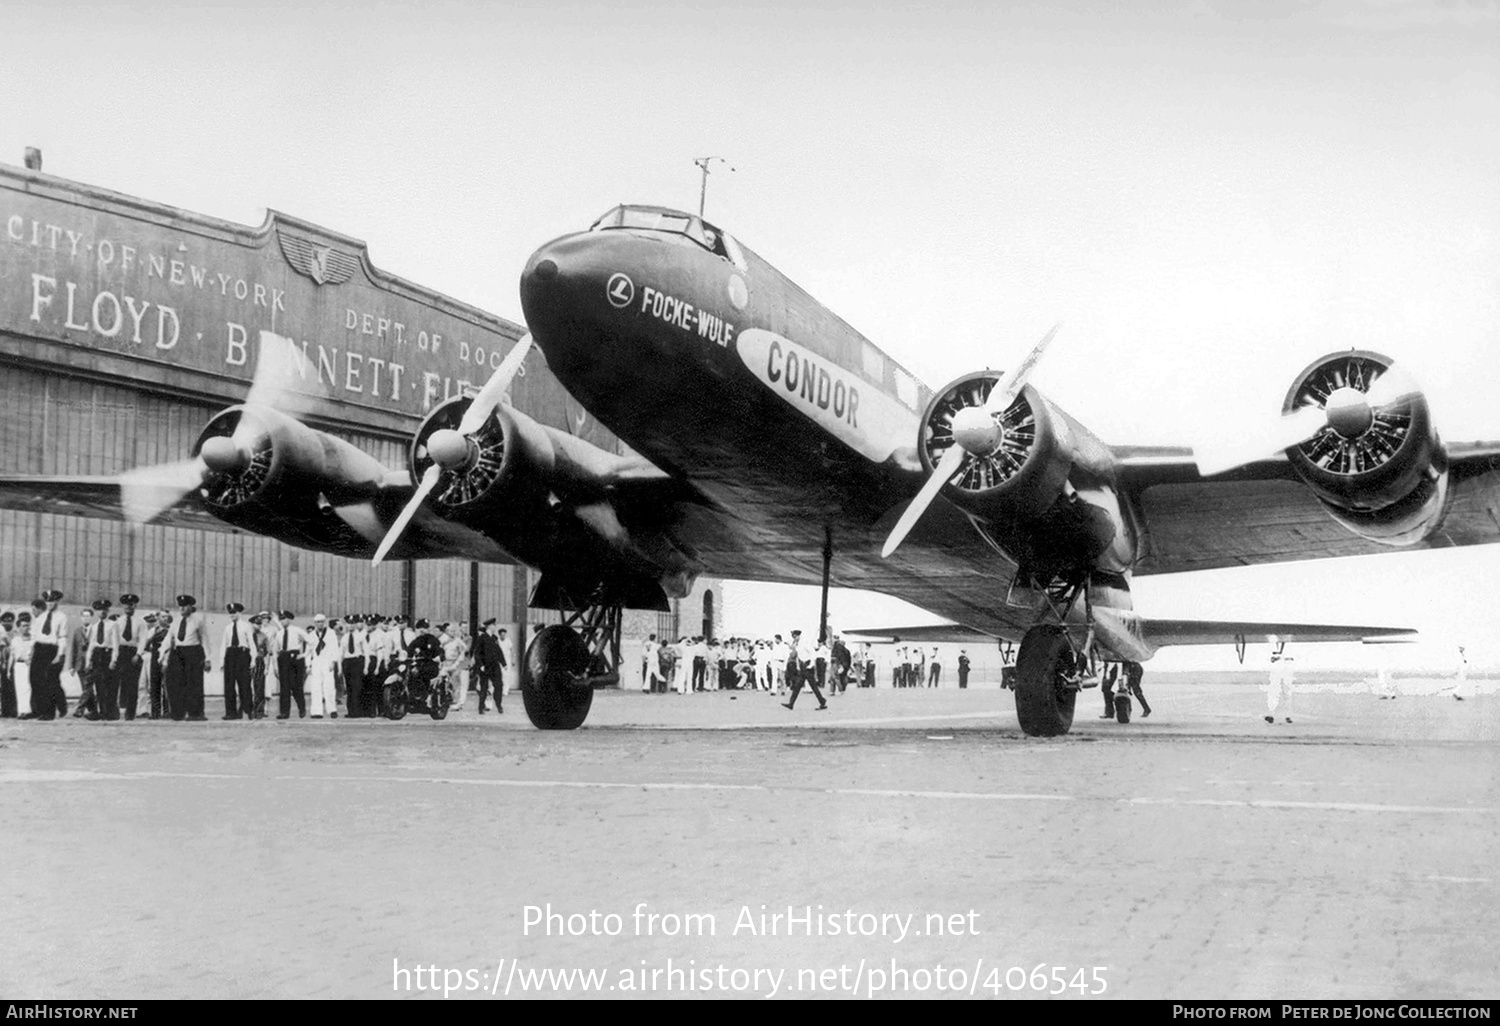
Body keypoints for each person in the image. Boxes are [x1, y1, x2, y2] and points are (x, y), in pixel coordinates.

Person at [161, 595, 209, 721]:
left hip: (193, 651)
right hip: (178, 653)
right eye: (180, 606)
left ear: (190, 607)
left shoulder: (197, 621)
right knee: (175, 683)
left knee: (193, 684)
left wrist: (208, 659)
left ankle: (196, 714)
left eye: (185, 606)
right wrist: (162, 657)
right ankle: (177, 713)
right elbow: (168, 640)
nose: (182, 608)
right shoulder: (176, 622)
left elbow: (205, 640)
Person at [31, 590, 69, 719]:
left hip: (51, 649)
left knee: (48, 681)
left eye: (52, 601)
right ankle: (37, 709)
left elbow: (62, 637)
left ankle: (49, 712)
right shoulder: (41, 616)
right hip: (39, 648)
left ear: (57, 602)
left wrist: (60, 654)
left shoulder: (61, 617)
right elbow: (35, 636)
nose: (50, 604)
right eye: (47, 601)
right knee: (34, 679)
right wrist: (31, 652)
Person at [218, 603, 254, 720]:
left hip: (242, 655)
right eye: (230, 613)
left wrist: (253, 659)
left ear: (239, 613)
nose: (232, 615)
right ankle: (231, 713)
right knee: (229, 685)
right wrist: (222, 661)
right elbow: (224, 644)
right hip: (230, 655)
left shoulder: (246, 626)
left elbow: (251, 643)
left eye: (234, 612)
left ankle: (248, 710)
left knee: (244, 684)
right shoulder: (228, 628)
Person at [111, 594, 144, 721]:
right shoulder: (118, 622)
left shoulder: (140, 622)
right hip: (120, 652)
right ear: (123, 606)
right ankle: (114, 713)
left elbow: (142, 639)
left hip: (133, 653)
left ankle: (130, 714)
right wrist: (114, 657)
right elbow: (114, 641)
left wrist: (138, 654)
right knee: (115, 684)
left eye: (131, 605)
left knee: (132, 685)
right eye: (126, 605)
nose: (128, 607)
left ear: (135, 606)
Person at [84, 600, 117, 719]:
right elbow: (91, 646)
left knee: (108, 685)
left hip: (107, 654)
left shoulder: (112, 625)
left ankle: (109, 712)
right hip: (97, 656)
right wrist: (88, 661)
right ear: (96, 612)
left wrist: (113, 660)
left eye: (104, 610)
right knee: (99, 685)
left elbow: (115, 644)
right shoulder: (93, 627)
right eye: (99, 610)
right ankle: (102, 712)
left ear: (108, 611)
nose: (102, 612)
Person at [274, 611, 308, 719]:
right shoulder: (279, 633)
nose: (282, 621)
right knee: (284, 687)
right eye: (280, 619)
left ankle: (301, 708)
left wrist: (304, 655)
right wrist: (275, 665)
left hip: (295, 658)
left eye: (284, 619)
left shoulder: (297, 630)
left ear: (289, 619)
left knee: (296, 686)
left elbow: (312, 641)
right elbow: (275, 650)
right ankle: (284, 712)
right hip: (283, 658)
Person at [305, 614, 339, 719]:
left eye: (321, 622)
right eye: (318, 622)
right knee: (316, 687)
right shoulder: (311, 635)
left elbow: (334, 648)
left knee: (329, 686)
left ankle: (332, 709)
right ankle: (317, 711)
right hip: (316, 662)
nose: (320, 624)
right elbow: (308, 651)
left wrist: (333, 662)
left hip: (327, 661)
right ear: (315, 623)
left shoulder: (331, 633)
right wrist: (308, 665)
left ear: (324, 622)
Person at [340, 613, 367, 718]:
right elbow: (341, 652)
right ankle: (350, 711)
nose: (350, 626)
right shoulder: (344, 637)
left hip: (357, 661)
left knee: (357, 686)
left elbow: (365, 651)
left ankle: (357, 711)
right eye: (349, 623)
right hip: (347, 662)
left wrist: (365, 666)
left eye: (353, 623)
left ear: (356, 624)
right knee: (349, 687)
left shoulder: (360, 636)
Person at [10, 613, 34, 718]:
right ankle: (21, 711)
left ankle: (28, 711)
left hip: (28, 665)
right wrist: (8, 670)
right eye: (23, 626)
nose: (26, 628)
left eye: (27, 625)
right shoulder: (15, 640)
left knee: (28, 687)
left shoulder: (33, 640)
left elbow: (34, 653)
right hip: (18, 666)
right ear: (19, 627)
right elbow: (12, 655)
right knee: (19, 688)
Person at [1264, 653, 1294, 724]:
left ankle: (1273, 715)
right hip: (1285, 666)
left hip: (1281, 667)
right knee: (1285, 694)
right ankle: (1287, 716)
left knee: (1276, 692)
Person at [0, 610, 15, 718]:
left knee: (10, 687)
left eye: (9, 621)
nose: (7, 623)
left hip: (10, 663)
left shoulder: (14, 633)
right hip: (4, 662)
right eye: (5, 621)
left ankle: (10, 710)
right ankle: (5, 710)